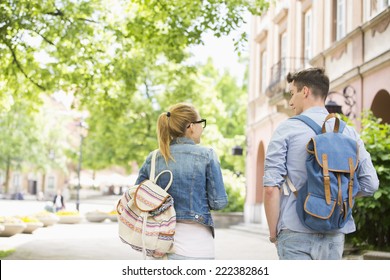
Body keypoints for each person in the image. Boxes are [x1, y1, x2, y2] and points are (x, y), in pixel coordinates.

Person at [263, 67, 379, 260]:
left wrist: (273, 234)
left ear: (305, 91)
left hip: (294, 229)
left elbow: (270, 188)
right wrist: (336, 194)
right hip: (335, 230)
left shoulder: (286, 129)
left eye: (292, 94)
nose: (290, 102)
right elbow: (371, 184)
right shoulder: (348, 133)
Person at [135, 103, 228, 260]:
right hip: (197, 246)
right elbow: (219, 203)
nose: (202, 128)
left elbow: (139, 197)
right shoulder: (207, 155)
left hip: (159, 245)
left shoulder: (154, 158)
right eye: (201, 123)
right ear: (191, 126)